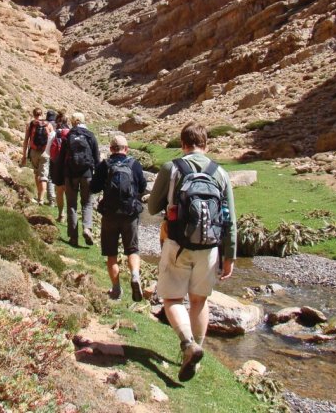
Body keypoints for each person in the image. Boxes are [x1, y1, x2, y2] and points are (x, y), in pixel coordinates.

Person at [147, 122, 236, 382]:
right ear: (206, 144)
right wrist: (229, 255)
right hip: (209, 248)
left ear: (182, 143)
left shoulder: (171, 167)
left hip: (177, 245)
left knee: (172, 299)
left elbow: (151, 208)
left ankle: (187, 345)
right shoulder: (220, 172)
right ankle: (197, 353)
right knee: (199, 301)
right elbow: (229, 218)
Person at [90, 134, 146, 301]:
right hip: (130, 214)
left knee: (111, 254)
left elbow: (94, 187)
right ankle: (135, 275)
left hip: (109, 215)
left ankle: (116, 289)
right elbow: (142, 187)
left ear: (110, 149)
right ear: (126, 149)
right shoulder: (134, 164)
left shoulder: (104, 165)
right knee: (133, 249)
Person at [53, 112, 99, 247]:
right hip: (87, 174)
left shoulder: (68, 136)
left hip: (70, 174)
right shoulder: (90, 136)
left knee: (72, 205)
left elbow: (61, 159)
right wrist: (99, 179)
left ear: (72, 122)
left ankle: (73, 238)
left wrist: (58, 178)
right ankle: (87, 228)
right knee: (87, 203)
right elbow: (96, 159)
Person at [20, 107, 54, 204]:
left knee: (36, 173)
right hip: (45, 153)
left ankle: (39, 195)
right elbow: (52, 140)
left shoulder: (31, 124)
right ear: (42, 114)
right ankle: (41, 199)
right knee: (44, 176)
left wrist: (24, 156)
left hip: (33, 152)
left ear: (33, 114)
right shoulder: (49, 125)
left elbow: (26, 141)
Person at [47, 111, 71, 220]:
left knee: (59, 191)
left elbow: (48, 152)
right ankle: (72, 216)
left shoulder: (54, 133)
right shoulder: (72, 133)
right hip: (69, 165)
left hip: (56, 165)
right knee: (69, 192)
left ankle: (61, 214)